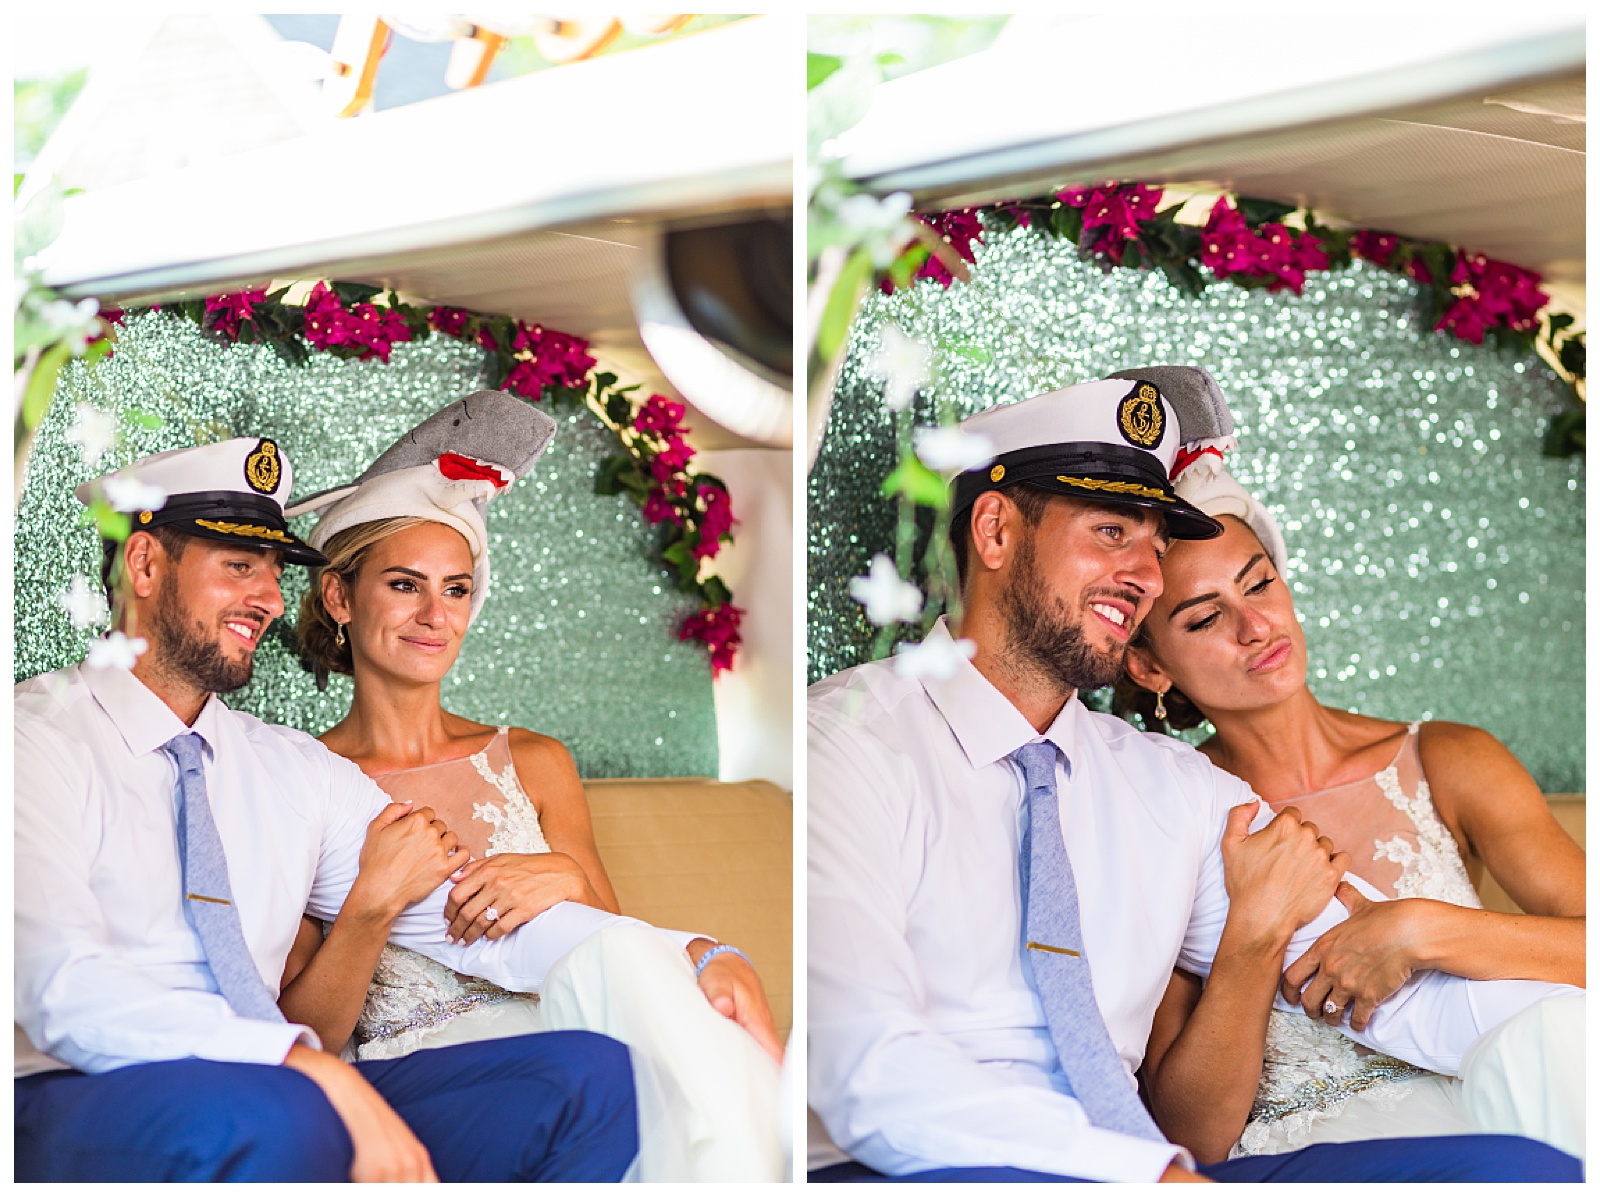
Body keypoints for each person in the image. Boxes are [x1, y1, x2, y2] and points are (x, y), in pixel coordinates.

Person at [806, 370, 1581, 1183]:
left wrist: (1560, 1032)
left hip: (1152, 1171)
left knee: (1518, 1169)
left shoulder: (1181, 789)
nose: (1143, 570)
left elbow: (1405, 998)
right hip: (917, 1164)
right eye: (1112, 531)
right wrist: (1150, 1176)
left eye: (1155, 541)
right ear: (995, 531)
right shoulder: (848, 745)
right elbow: (867, 1064)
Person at [16, 437, 645, 1182]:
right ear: (146, 564)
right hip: (75, 1084)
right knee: (286, 1118)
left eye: (276, 572)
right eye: (240, 566)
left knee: (599, 1076)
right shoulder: (31, 741)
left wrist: (694, 956)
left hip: (283, 1084)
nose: (273, 599)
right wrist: (305, 1063)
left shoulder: (293, 766)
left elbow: (463, 909)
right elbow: (59, 982)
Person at [277, 390, 785, 1182]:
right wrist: (374, 901)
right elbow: (300, 1029)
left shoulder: (536, 760)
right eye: (405, 584)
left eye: (456, 588)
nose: (435, 615)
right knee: (612, 1081)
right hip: (416, 1080)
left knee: (662, 1048)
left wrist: (574, 879)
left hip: (570, 1041)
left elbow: (616, 963)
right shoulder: (294, 780)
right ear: (340, 596)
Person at [1115, 458, 1584, 1160]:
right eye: (1207, 615)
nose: (1254, 625)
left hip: (1519, 1118)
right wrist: (1254, 937)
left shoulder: (1449, 758)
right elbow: (1189, 1136)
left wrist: (1422, 929)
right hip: (1316, 1158)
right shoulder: (1162, 815)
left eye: (1260, 583)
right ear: (1150, 666)